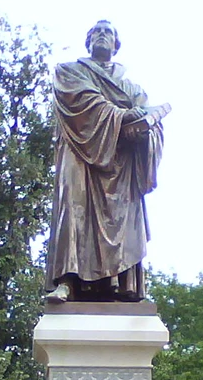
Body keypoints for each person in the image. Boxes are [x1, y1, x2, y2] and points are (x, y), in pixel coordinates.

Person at [45, 20, 166, 303]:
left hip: (120, 162)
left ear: (116, 43)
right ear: (88, 42)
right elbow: (80, 103)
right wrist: (123, 117)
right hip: (79, 151)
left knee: (123, 213)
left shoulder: (131, 87)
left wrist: (145, 130)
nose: (102, 35)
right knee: (73, 208)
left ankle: (122, 283)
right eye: (96, 32)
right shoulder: (69, 72)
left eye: (108, 32)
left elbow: (147, 117)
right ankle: (67, 281)